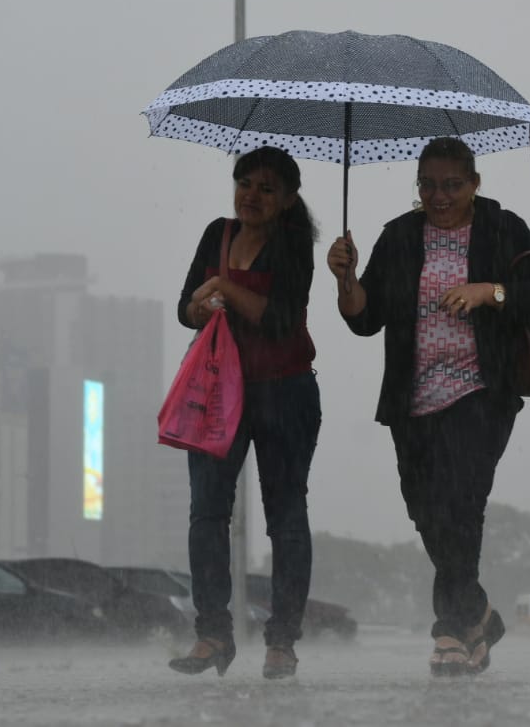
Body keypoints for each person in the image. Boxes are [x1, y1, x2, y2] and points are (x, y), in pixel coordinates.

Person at [326, 136, 530, 676]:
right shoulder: (401, 236)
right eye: (428, 185)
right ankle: (479, 617)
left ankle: (450, 631)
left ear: (475, 184)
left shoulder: (504, 228)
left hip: (483, 393)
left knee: (460, 505)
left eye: (452, 185)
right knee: (428, 513)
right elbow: (366, 318)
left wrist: (488, 292)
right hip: (413, 402)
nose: (439, 195)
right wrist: (345, 280)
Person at [168, 146, 321, 680]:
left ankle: (282, 642)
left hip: (286, 393)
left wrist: (225, 288)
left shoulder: (295, 243)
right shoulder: (218, 233)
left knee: (286, 517)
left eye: (266, 188)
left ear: (287, 199)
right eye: (244, 183)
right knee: (207, 512)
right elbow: (187, 305)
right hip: (218, 393)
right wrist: (202, 304)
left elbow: (279, 319)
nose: (251, 195)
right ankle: (212, 632)